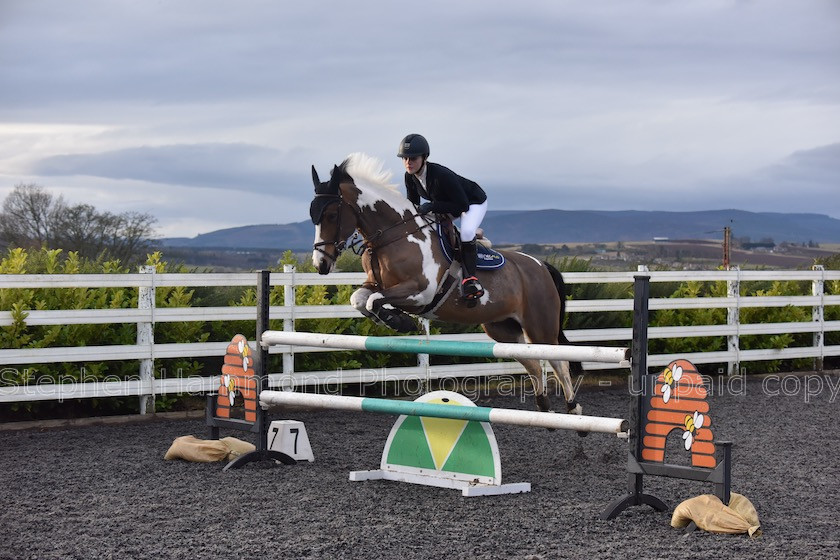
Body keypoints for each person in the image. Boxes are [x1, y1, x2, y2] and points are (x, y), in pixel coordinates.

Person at [398, 133, 488, 300]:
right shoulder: (409, 177)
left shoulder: (440, 175)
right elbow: (413, 204)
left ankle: (470, 279)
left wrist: (431, 206)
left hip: (472, 202)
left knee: (467, 233)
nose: (408, 162)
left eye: (413, 158)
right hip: (448, 203)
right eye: (404, 158)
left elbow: (462, 206)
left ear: (424, 158)